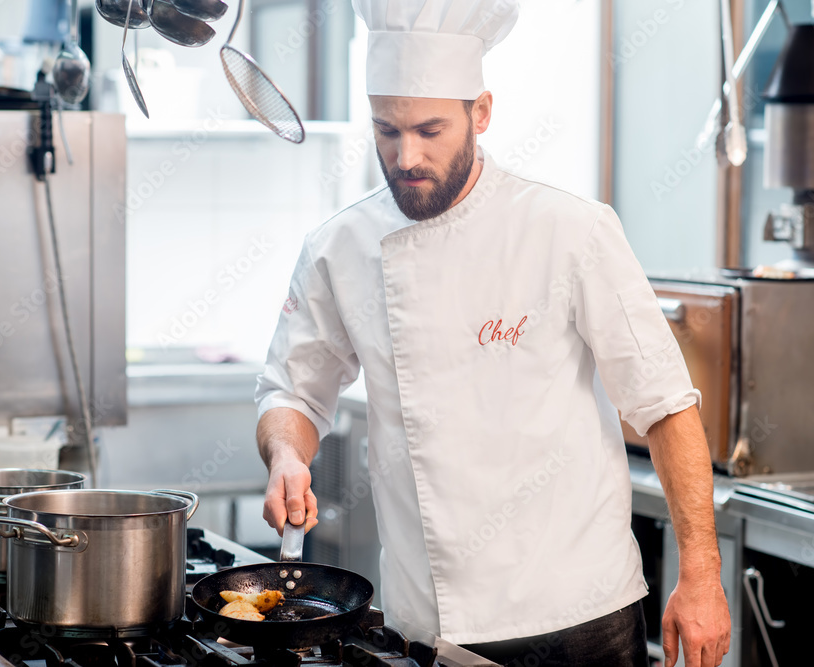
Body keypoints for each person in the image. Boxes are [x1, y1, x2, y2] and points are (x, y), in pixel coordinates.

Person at [254, 1, 730, 665]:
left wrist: (703, 576)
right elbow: (292, 391)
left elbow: (666, 406)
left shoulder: (570, 230)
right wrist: (286, 454)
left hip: (580, 614)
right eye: (387, 130)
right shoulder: (339, 248)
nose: (407, 155)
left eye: (430, 129)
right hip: (428, 622)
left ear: (481, 113)